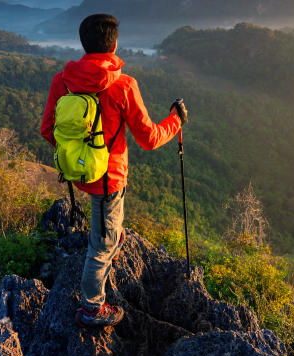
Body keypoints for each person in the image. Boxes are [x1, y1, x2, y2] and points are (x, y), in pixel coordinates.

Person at [40, 14, 187, 328]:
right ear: (114, 44)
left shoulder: (62, 81)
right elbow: (148, 139)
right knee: (99, 247)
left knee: (107, 225)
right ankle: (92, 308)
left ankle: (112, 237)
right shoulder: (124, 85)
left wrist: (77, 154)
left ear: (83, 43)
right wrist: (175, 121)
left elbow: (47, 129)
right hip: (110, 179)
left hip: (80, 174)